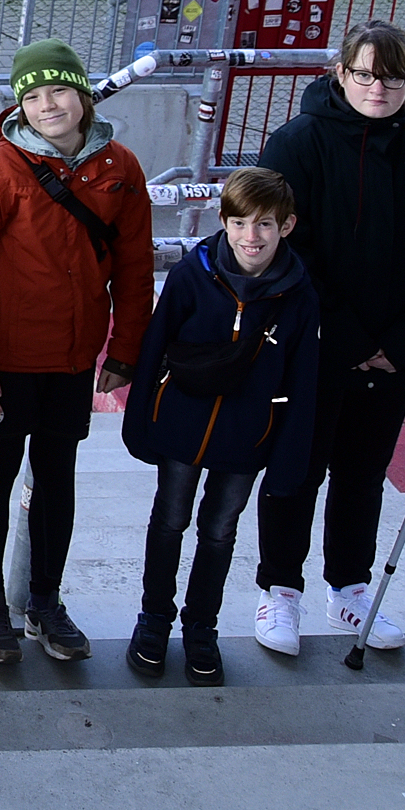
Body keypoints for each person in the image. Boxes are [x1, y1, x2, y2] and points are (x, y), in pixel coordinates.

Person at [249, 20, 405, 657]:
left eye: (393, 76)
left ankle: (350, 588)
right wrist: (345, 336)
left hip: (392, 352)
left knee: (364, 475)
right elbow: (287, 248)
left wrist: (402, 342)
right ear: (341, 73)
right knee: (296, 469)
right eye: (366, 73)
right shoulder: (296, 143)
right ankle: (279, 590)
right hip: (312, 347)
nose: (379, 87)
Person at [0, 41, 152, 667]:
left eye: (59, 91)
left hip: (73, 358)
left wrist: (124, 349)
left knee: (57, 478)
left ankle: (44, 599)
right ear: (19, 105)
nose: (48, 106)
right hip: (7, 361)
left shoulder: (121, 167)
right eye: (33, 96)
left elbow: (135, 266)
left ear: (84, 95)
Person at [121, 167, 321, 684]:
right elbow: (154, 346)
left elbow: (304, 382)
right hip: (181, 428)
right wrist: (139, 421)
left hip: (248, 436)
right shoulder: (193, 273)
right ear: (223, 222)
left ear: (288, 226)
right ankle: (153, 620)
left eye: (265, 226)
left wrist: (288, 460)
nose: (251, 237)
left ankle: (201, 628)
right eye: (239, 224)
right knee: (169, 520)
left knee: (219, 530)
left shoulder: (299, 296)